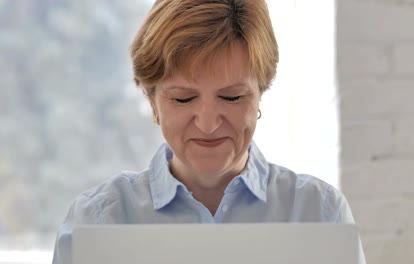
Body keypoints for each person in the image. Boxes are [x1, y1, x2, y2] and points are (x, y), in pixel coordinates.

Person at [52, 0, 366, 263]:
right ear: (152, 100)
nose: (208, 124)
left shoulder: (319, 212)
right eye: (183, 99)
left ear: (261, 92)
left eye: (232, 97)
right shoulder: (98, 219)